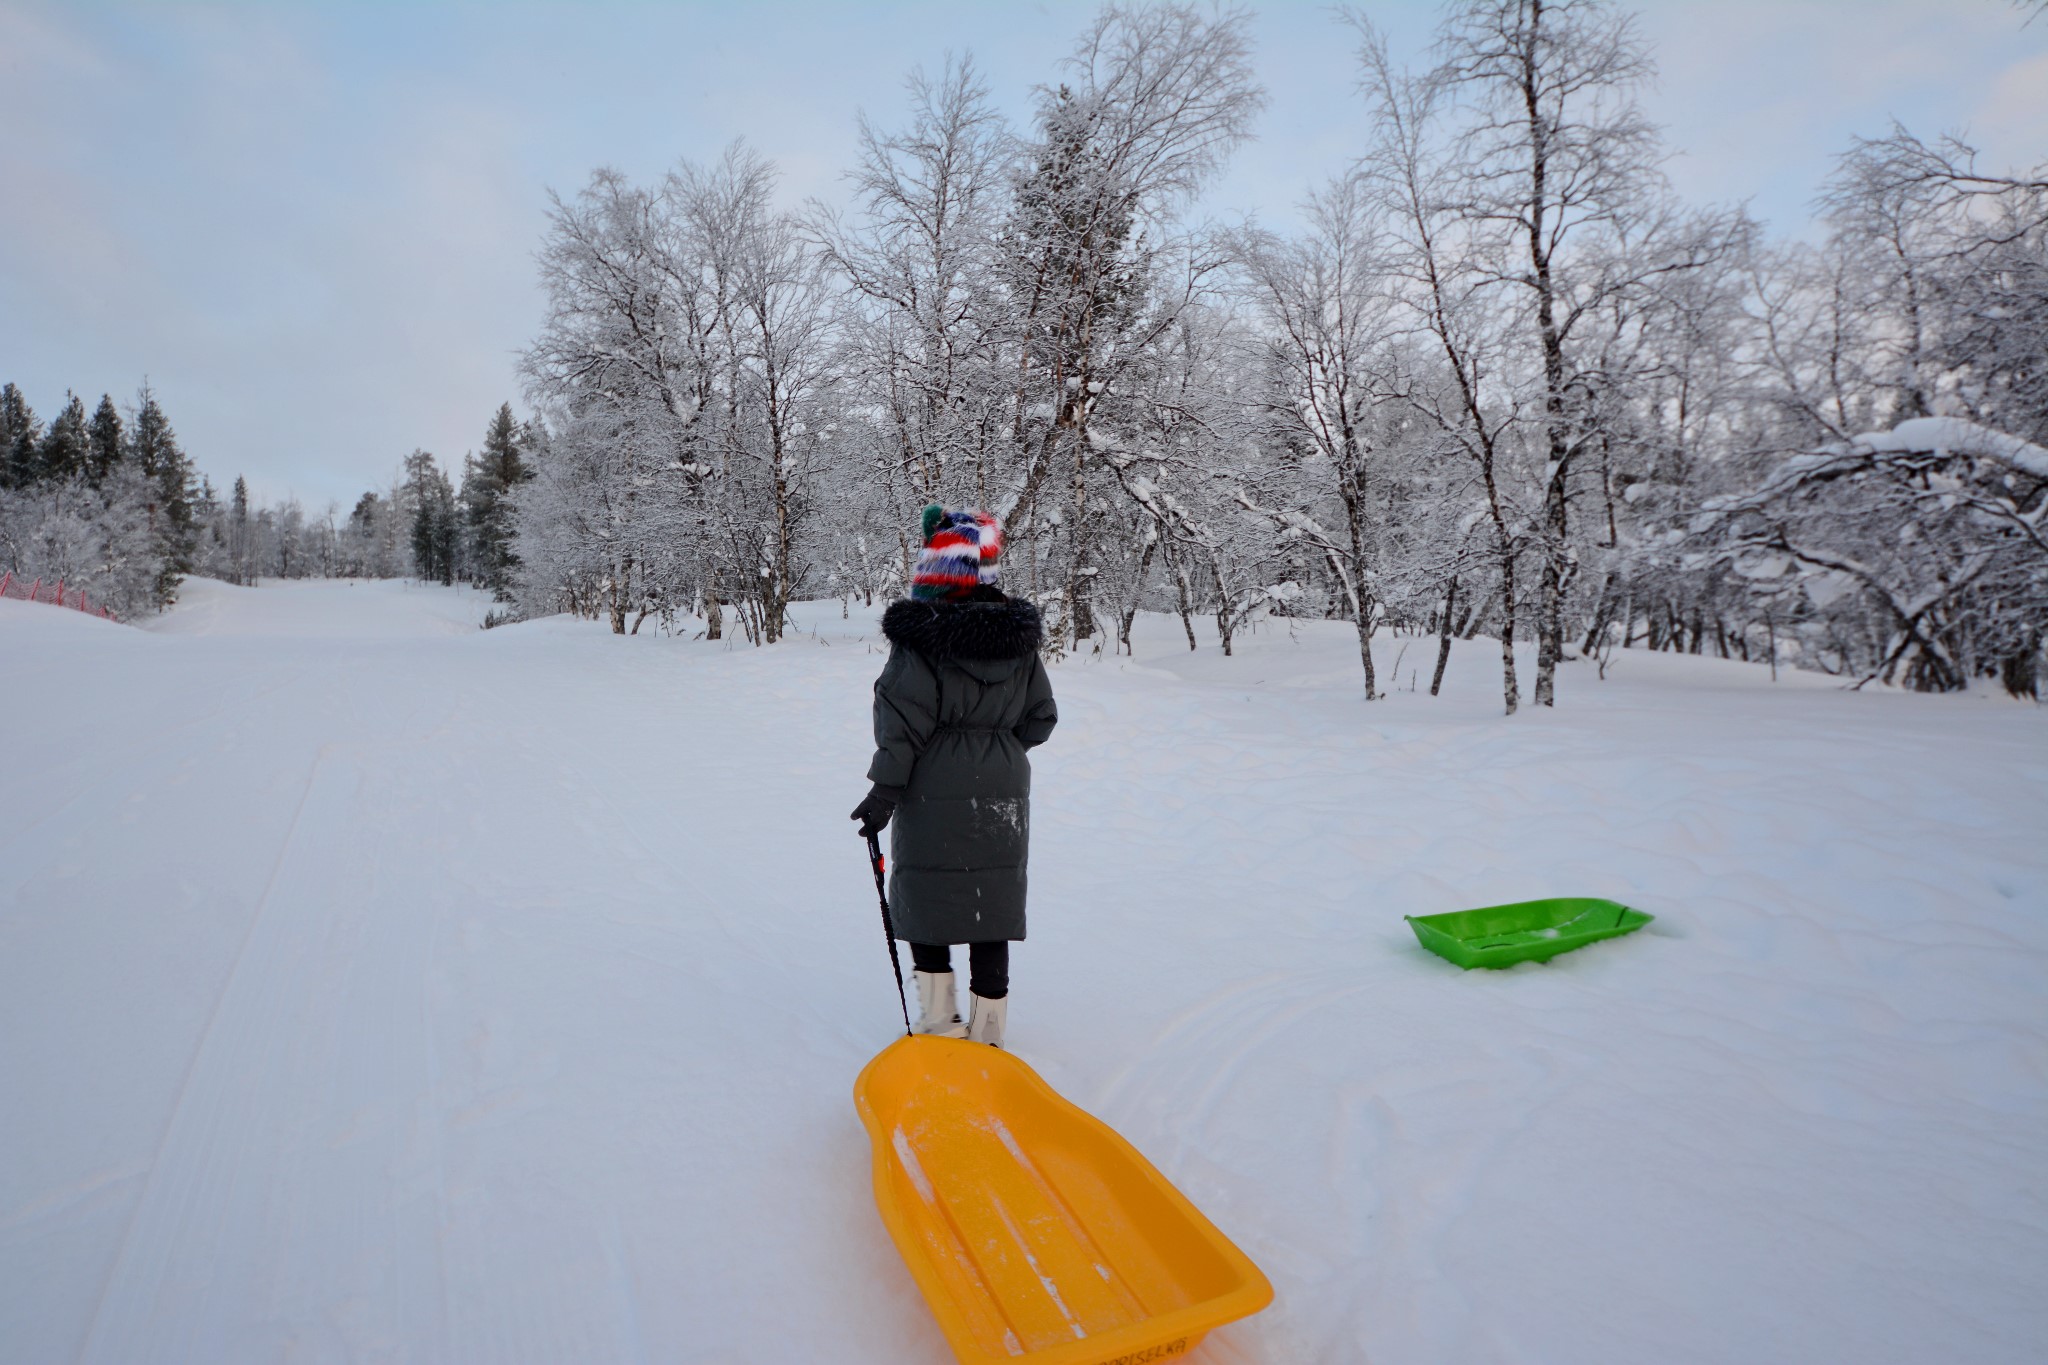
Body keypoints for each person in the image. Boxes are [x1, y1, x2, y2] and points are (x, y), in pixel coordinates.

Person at [851, 506, 1057, 1048]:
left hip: (929, 788)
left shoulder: (919, 643)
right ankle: (989, 1035)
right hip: (1005, 791)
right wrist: (998, 752)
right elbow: (1041, 718)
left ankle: (941, 1028)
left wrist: (883, 793)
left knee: (927, 902)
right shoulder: (1020, 643)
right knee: (991, 905)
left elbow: (901, 726)